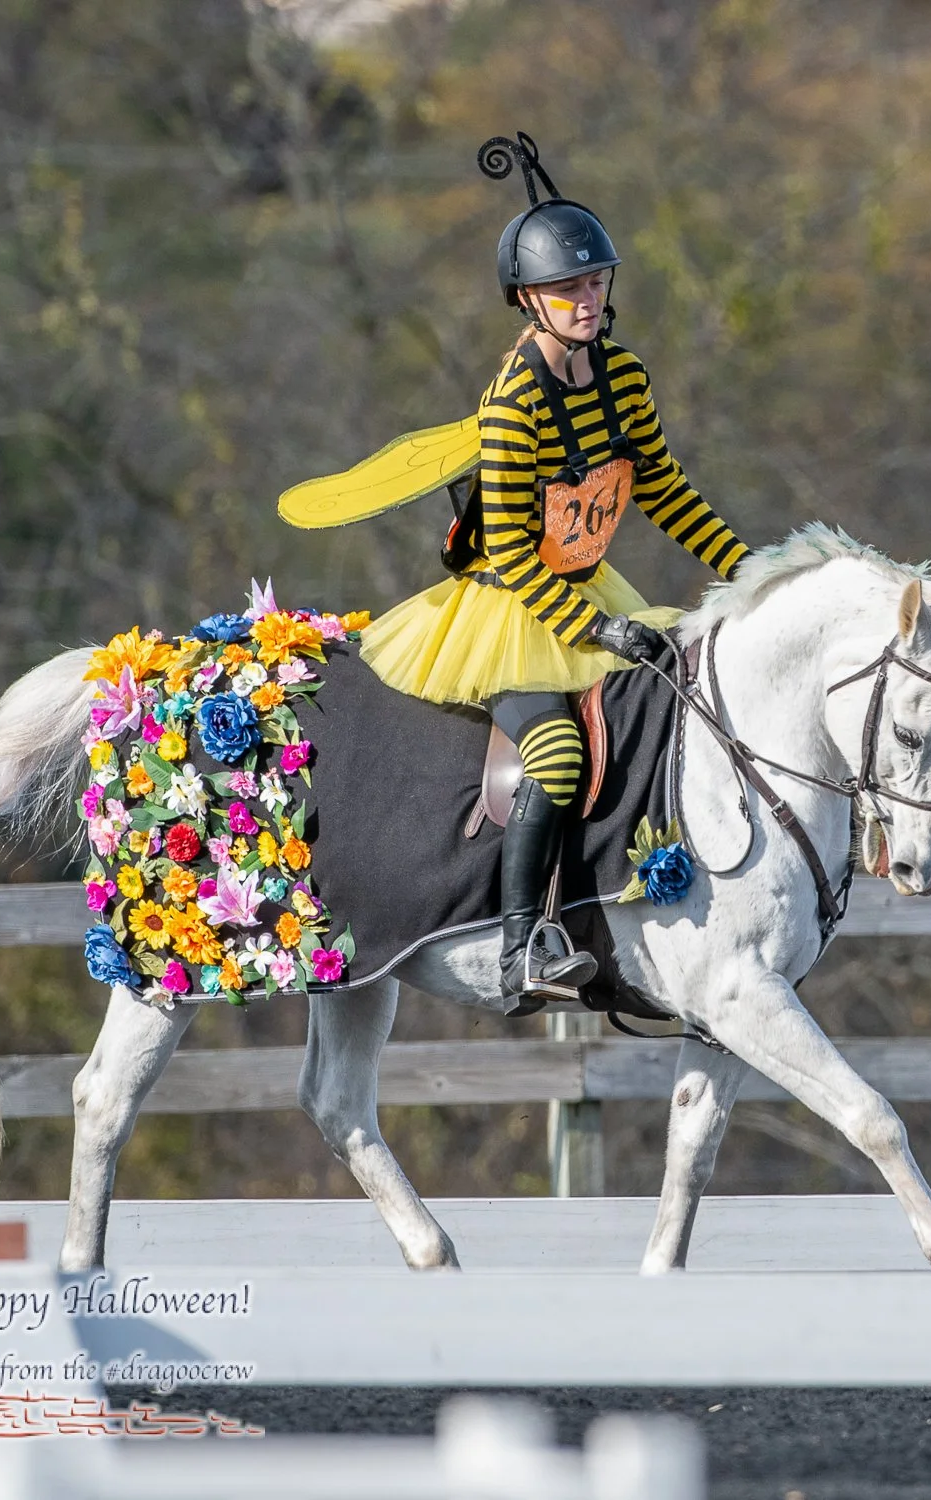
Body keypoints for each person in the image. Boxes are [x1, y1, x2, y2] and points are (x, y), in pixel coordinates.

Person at [358, 134, 750, 1010]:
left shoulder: (625, 377)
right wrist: (599, 629)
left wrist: (754, 569)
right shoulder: (514, 404)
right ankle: (519, 950)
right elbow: (505, 550)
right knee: (559, 755)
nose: (587, 298)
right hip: (511, 610)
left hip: (586, 592)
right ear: (527, 299)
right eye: (568, 287)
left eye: (597, 282)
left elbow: (669, 492)